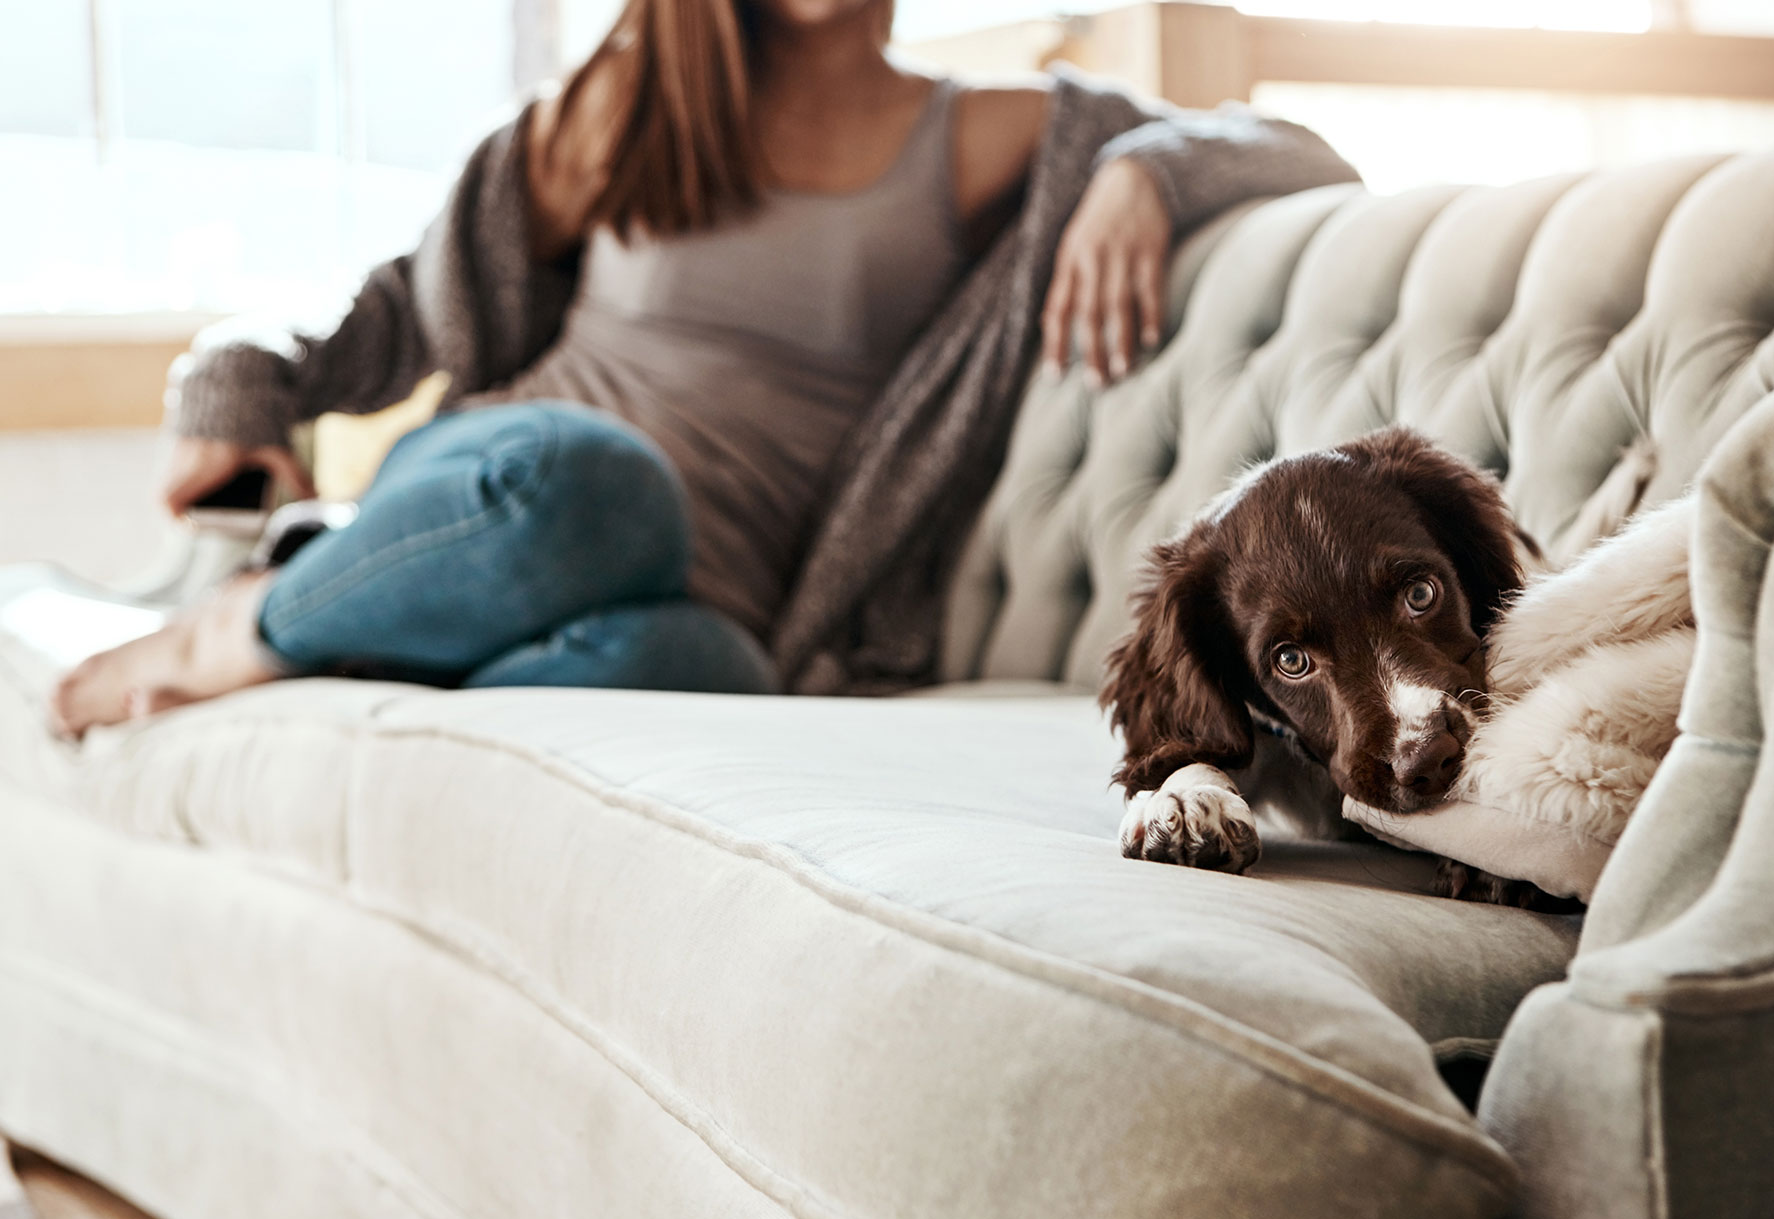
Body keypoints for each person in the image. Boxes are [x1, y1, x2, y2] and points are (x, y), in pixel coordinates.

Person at [51, 0, 1356, 736]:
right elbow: (401, 308)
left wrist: (1146, 170)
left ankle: (351, 677)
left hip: (704, 599)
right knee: (600, 484)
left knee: (706, 677)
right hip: (514, 488)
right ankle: (254, 627)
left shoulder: (975, 136)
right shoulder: (639, 99)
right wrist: (235, 388)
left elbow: (1296, 150)